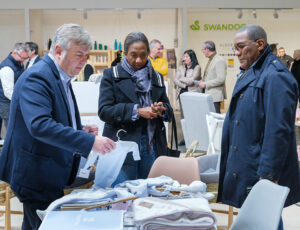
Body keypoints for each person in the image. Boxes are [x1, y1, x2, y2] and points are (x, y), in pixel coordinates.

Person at [0, 24, 116, 230]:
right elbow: (40, 125)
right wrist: (89, 142)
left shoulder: (60, 76)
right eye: (79, 54)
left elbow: (56, 117)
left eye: (87, 55)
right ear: (58, 51)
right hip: (35, 173)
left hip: (47, 171)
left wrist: (79, 130)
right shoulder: (37, 77)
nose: (84, 61)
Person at [217, 24, 300, 230]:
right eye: (235, 48)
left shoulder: (276, 76)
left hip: (261, 170)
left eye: (241, 47)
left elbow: (278, 131)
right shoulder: (253, 71)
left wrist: (268, 177)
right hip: (248, 161)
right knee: (258, 220)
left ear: (260, 44)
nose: (237, 53)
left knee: (266, 220)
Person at [99, 32, 173, 184]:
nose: (138, 60)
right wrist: (137, 111)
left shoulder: (156, 77)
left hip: (152, 146)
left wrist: (161, 110)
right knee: (123, 196)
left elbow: (168, 108)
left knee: (150, 194)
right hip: (123, 145)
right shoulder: (111, 75)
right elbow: (104, 110)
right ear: (125, 53)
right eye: (133, 55)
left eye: (143, 55)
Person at [174, 49, 201, 146]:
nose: (184, 58)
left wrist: (181, 79)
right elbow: (175, 80)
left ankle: (194, 138)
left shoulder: (197, 68)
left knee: (192, 117)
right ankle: (186, 138)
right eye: (184, 56)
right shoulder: (181, 67)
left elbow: (192, 81)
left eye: (186, 57)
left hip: (192, 95)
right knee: (183, 117)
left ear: (191, 58)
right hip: (182, 94)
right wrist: (184, 84)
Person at [0, 43, 29, 129]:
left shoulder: (19, 62)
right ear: (14, 53)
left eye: (25, 58)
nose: (23, 61)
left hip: (15, 100)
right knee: (12, 129)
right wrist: (23, 100)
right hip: (6, 103)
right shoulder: (7, 68)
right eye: (22, 58)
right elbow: (8, 92)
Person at [199, 41, 226, 113]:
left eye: (203, 50)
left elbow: (221, 79)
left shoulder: (219, 60)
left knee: (215, 119)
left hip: (215, 96)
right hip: (209, 94)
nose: (203, 52)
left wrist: (206, 84)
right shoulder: (211, 59)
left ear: (207, 49)